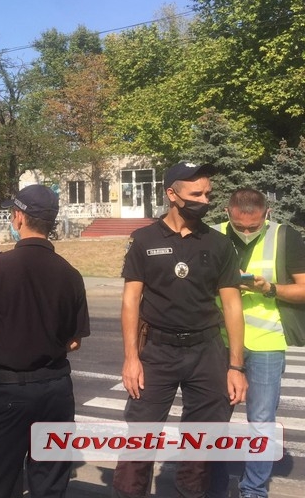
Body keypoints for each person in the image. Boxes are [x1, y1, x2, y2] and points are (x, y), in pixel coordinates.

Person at [112, 162, 247, 498]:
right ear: (171, 194)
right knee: (140, 440)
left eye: (208, 193)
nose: (204, 199)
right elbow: (131, 301)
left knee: (199, 449)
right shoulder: (143, 240)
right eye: (196, 194)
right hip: (156, 353)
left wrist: (235, 366)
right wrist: (131, 358)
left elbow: (232, 305)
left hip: (207, 353)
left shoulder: (218, 244)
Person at [0, 184, 89, 497]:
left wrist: (14, 339)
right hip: (57, 392)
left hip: (11, 392)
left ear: (19, 218)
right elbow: (75, 341)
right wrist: (42, 342)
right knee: (49, 481)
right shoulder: (71, 274)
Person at [209, 188, 305, 498]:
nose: (247, 231)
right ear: (228, 213)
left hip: (266, 343)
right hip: (219, 342)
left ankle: (253, 490)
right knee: (213, 419)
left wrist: (269, 288)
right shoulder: (210, 236)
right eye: (240, 226)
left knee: (261, 421)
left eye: (254, 226)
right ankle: (214, 484)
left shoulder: (284, 236)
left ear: (267, 214)